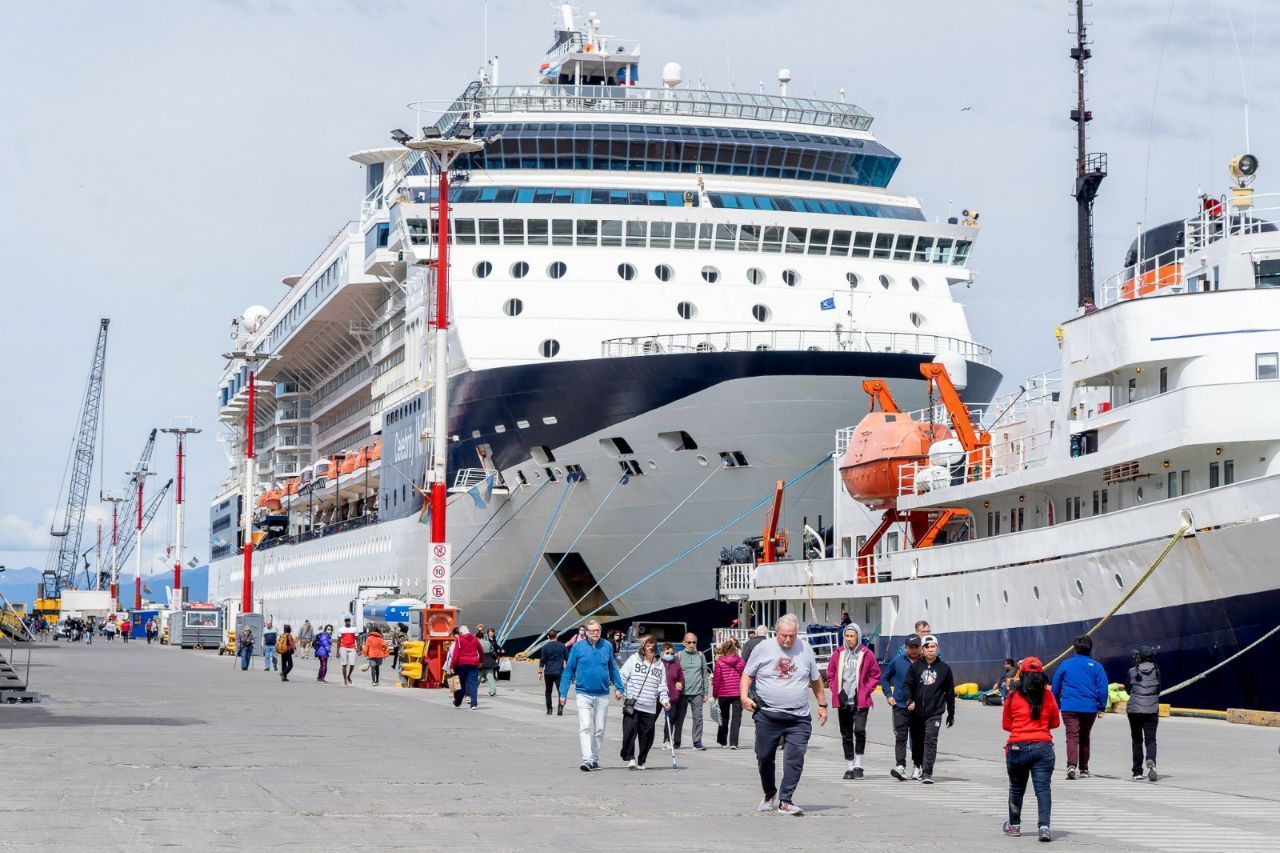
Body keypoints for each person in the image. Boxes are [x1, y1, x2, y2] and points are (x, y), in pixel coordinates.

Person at [741, 614, 826, 816]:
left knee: (794, 758)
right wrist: (744, 696)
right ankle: (769, 793)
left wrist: (822, 704)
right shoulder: (763, 648)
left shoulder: (805, 649)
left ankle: (786, 800)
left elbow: (815, 680)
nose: (788, 640)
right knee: (764, 756)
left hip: (798, 717)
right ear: (776, 633)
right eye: (783, 636)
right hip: (767, 714)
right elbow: (747, 674)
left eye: (792, 636)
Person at [1002, 656, 1060, 842]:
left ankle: (1014, 825)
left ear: (1023, 675)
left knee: (1017, 788)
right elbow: (1055, 723)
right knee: (1043, 789)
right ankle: (1044, 828)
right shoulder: (1049, 696)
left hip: (1017, 747)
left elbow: (1006, 724)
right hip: (1043, 747)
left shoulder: (1012, 696)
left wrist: (1021, 728)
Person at [558, 619, 625, 771]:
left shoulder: (607, 646)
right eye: (592, 630)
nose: (595, 633)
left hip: (602, 693)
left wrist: (619, 688)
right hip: (583, 693)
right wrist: (563, 693)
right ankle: (587, 759)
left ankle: (594, 758)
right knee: (585, 726)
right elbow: (569, 670)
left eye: (598, 630)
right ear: (586, 632)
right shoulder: (577, 647)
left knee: (600, 728)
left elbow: (613, 668)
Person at [827, 622, 882, 779]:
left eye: (852, 636)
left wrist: (866, 690)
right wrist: (835, 689)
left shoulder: (866, 654)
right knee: (846, 733)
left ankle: (859, 763)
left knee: (859, 730)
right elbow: (831, 673)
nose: (849, 639)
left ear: (858, 637)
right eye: (847, 636)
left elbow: (875, 675)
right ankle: (850, 766)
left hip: (860, 700)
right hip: (843, 700)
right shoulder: (838, 653)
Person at [1051, 634, 1109, 779]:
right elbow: (1103, 688)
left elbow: (1056, 687)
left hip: (1069, 707)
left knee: (1072, 736)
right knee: (1085, 736)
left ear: (1074, 648)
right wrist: (1101, 707)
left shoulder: (1065, 664)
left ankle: (1071, 765)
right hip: (1089, 708)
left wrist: (1056, 705)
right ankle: (1084, 768)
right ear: (1090, 649)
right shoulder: (1097, 666)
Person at [902, 634, 955, 784]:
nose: (930, 650)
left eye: (933, 647)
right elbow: (907, 685)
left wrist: (951, 714)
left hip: (935, 712)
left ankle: (927, 773)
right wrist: (909, 700)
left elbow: (950, 693)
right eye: (927, 647)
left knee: (931, 740)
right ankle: (917, 764)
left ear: (937, 648)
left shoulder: (945, 669)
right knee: (918, 741)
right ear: (922, 650)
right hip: (916, 711)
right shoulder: (915, 667)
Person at [619, 634, 671, 770]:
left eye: (653, 647)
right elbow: (623, 676)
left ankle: (642, 759)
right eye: (648, 646)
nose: (650, 649)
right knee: (629, 732)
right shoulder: (633, 659)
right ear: (643, 648)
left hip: (649, 706)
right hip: (633, 703)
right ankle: (630, 757)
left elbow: (662, 686)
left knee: (647, 736)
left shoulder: (660, 666)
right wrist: (620, 691)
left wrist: (665, 701)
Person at [882, 634, 921, 780]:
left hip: (919, 707)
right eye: (911, 647)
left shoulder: (924, 662)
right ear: (906, 647)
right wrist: (888, 695)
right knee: (901, 737)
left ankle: (918, 766)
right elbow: (885, 678)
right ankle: (900, 765)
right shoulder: (898, 661)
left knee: (917, 738)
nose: (914, 650)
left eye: (917, 646)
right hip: (900, 705)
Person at [1126, 645, 1161, 782]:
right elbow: (1158, 690)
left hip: (1134, 710)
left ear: (1138, 657)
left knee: (1137, 740)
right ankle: (1151, 760)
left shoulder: (1131, 671)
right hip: (1151, 709)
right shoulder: (1157, 671)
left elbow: (1128, 690)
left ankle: (1137, 772)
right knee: (1151, 740)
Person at [671, 632, 709, 750]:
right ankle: (677, 741)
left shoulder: (701, 656)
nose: (692, 644)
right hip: (682, 693)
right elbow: (673, 674)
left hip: (697, 692)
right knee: (679, 718)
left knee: (698, 718)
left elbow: (704, 675)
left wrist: (706, 692)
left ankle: (697, 742)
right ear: (684, 643)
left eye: (694, 642)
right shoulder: (679, 656)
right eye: (689, 642)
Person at [712, 638, 745, 749]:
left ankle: (723, 741)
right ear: (734, 650)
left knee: (724, 717)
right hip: (737, 693)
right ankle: (734, 743)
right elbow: (744, 676)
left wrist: (715, 694)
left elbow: (717, 680)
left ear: (724, 651)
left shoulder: (720, 662)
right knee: (736, 718)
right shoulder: (740, 661)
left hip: (723, 694)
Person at [450, 625, 484, 708]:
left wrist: (452, 665)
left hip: (462, 663)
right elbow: (481, 651)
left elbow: (456, 654)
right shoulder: (475, 639)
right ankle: (474, 704)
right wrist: (481, 661)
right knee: (473, 683)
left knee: (461, 683)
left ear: (461, 632)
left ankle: (458, 702)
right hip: (473, 663)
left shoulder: (459, 639)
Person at [536, 629, 569, 715]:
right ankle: (560, 709)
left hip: (548, 672)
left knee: (548, 691)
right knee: (561, 691)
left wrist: (540, 673)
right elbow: (568, 659)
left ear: (548, 637)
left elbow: (542, 661)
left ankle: (549, 710)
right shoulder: (562, 646)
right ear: (557, 636)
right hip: (559, 672)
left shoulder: (545, 647)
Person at [660, 642, 683, 747]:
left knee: (670, 718)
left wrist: (680, 685)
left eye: (672, 653)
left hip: (672, 696)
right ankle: (645, 738)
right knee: (650, 719)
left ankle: (667, 740)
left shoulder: (676, 666)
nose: (669, 655)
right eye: (667, 652)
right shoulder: (657, 664)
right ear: (662, 653)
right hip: (657, 696)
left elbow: (681, 680)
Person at [480, 627, 502, 697]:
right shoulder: (488, 643)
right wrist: (497, 656)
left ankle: (471, 691)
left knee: (477, 677)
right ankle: (492, 691)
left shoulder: (478, 643)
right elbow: (492, 651)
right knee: (490, 678)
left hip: (481, 662)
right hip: (489, 661)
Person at [337, 617, 358, 686]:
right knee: (344, 665)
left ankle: (349, 676)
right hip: (343, 648)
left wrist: (359, 649)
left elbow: (358, 639)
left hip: (352, 648)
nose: (347, 622)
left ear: (350, 621)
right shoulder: (341, 630)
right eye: (346, 621)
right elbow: (339, 641)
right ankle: (345, 680)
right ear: (344, 622)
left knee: (352, 664)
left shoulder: (354, 629)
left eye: (348, 621)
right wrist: (337, 651)